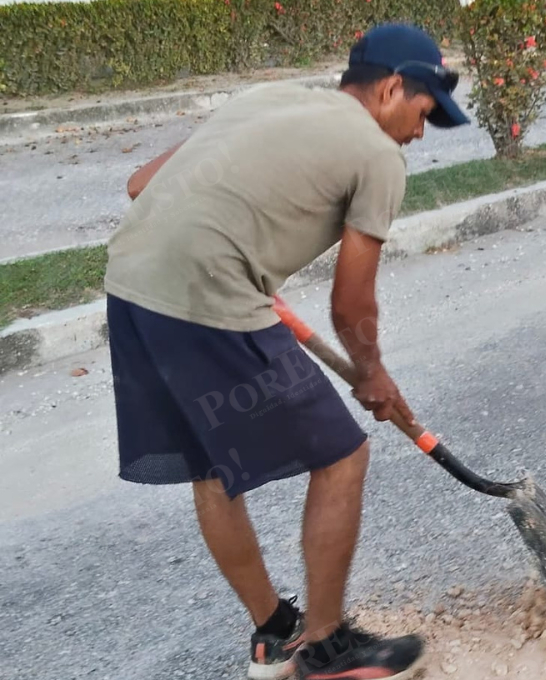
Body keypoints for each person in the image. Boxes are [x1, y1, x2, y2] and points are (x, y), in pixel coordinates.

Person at [102, 23, 468, 680]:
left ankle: (275, 637)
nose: (421, 132)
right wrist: (374, 376)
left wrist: (222, 239)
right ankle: (326, 651)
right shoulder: (378, 157)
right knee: (344, 457)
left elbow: (139, 185)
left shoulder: (267, 97)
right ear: (390, 89)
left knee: (212, 470)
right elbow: (351, 306)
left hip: (132, 287)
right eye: (424, 112)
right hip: (209, 298)